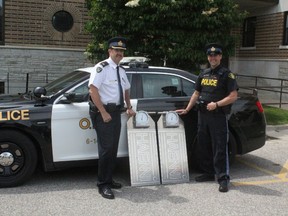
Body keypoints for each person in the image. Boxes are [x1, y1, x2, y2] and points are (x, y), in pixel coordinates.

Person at [176, 43, 238, 192]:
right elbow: (196, 93)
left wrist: (216, 104)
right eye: (210, 55)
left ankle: (223, 178)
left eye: (216, 55)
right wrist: (187, 109)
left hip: (217, 116)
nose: (213, 57)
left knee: (219, 147)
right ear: (208, 57)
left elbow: (233, 96)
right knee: (203, 145)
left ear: (220, 57)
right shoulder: (203, 74)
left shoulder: (227, 74)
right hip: (203, 115)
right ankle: (209, 173)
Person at [88, 36, 135, 199]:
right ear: (110, 51)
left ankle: (109, 179)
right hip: (104, 113)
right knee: (106, 149)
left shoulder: (121, 70)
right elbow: (92, 90)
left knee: (113, 148)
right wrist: (103, 111)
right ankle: (103, 185)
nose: (119, 53)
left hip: (116, 112)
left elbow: (126, 90)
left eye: (121, 51)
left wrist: (129, 107)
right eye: (116, 50)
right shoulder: (101, 68)